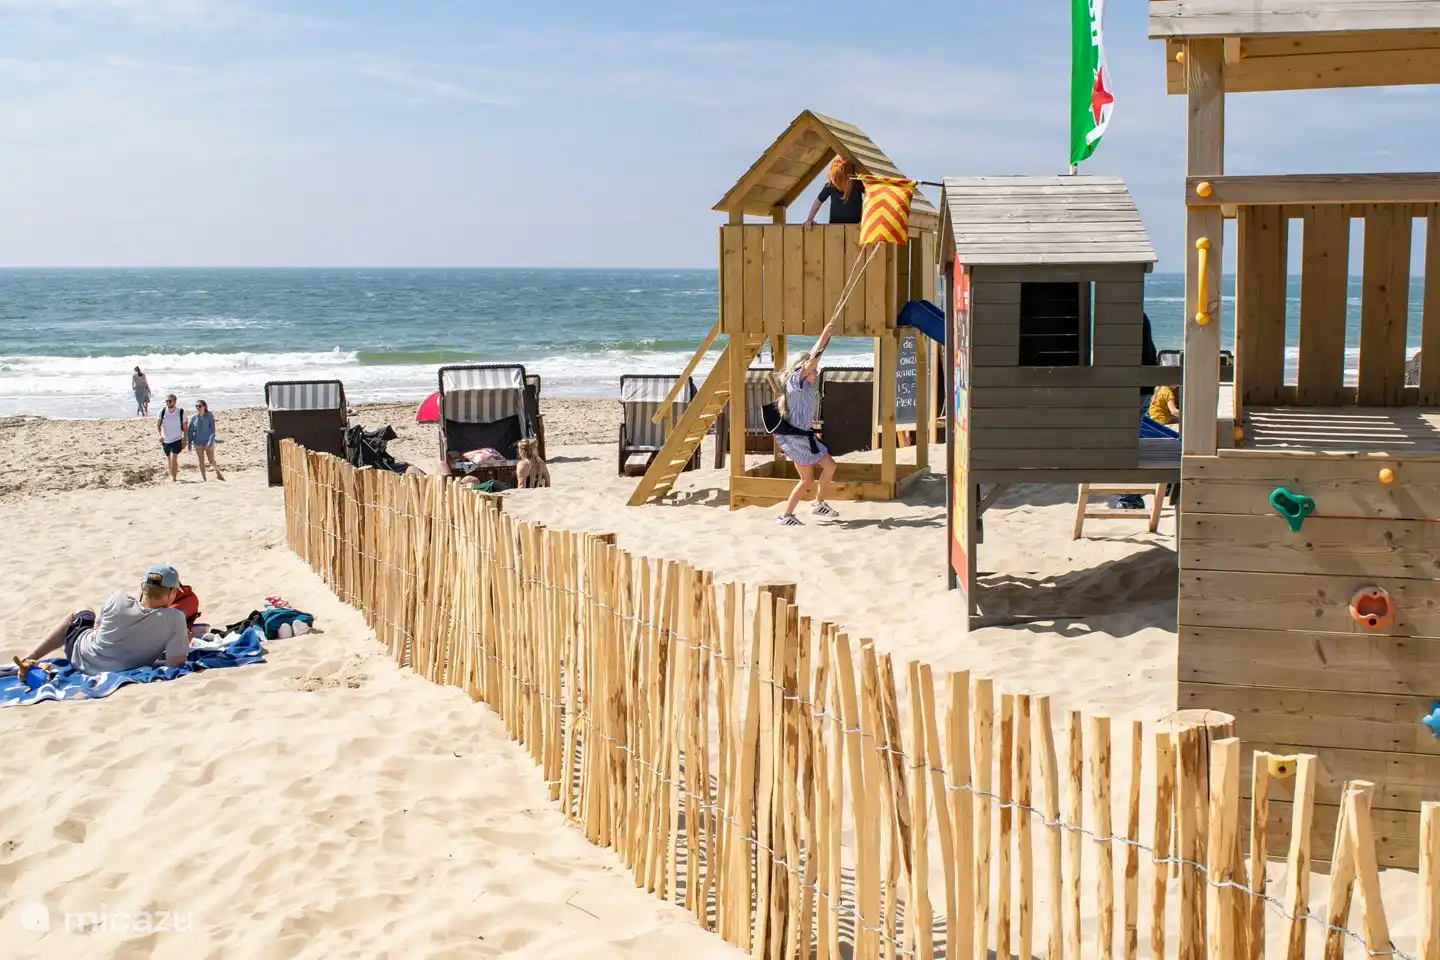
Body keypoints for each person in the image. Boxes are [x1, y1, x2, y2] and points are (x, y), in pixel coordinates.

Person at [17, 565, 190, 675]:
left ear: (143, 588)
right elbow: (175, 664)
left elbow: (96, 630)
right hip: (118, 668)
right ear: (171, 593)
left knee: (81, 610)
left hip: (80, 657)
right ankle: (30, 657)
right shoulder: (175, 620)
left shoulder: (118, 599)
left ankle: (31, 657)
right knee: (82, 613)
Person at [772, 318, 840, 526]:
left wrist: (826, 338)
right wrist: (825, 335)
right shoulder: (795, 380)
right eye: (813, 370)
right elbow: (812, 358)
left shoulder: (804, 385)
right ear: (803, 368)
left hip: (803, 436)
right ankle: (786, 516)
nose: (817, 372)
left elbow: (812, 361)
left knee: (829, 466)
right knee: (806, 480)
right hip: (796, 438)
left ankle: (818, 503)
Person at [803, 156, 865, 228]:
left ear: (849, 179)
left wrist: (865, 220)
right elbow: (818, 201)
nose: (837, 186)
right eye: (835, 182)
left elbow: (870, 198)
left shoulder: (858, 184)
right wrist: (810, 219)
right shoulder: (830, 186)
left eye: (840, 183)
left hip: (855, 226)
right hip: (834, 227)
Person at [186, 399, 224, 481]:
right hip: (197, 442)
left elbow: (212, 430)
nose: (198, 408)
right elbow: (190, 431)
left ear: (204, 406)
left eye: (199, 406)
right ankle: (204, 479)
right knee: (201, 461)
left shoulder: (209, 415)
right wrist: (189, 443)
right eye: (196, 406)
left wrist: (210, 441)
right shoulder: (194, 418)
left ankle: (218, 472)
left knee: (211, 460)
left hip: (208, 442)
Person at [157, 394, 186, 482]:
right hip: (165, 439)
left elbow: (185, 427)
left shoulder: (180, 412)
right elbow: (158, 426)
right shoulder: (162, 411)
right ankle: (171, 474)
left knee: (174, 457)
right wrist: (160, 435)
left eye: (170, 401)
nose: (168, 403)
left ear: (175, 402)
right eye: (167, 401)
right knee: (169, 458)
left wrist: (185, 439)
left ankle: (174, 478)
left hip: (177, 438)